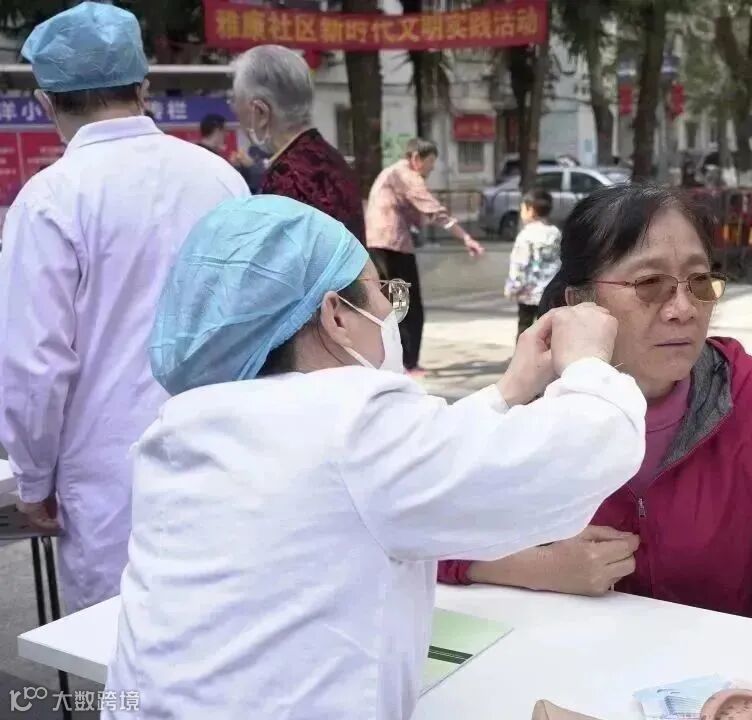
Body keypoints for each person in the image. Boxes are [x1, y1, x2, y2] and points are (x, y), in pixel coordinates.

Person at [103, 195, 646, 720]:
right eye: (381, 291)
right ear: (336, 315)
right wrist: (588, 364)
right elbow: (579, 452)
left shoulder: (185, 426)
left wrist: (507, 392)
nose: (390, 310)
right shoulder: (351, 419)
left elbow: (403, 467)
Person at [438, 184, 752, 632]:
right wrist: (536, 566)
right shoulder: (533, 404)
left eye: (699, 281)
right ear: (581, 302)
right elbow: (410, 533)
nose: (683, 309)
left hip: (723, 671)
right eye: (649, 284)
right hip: (563, 662)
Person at [0, 2, 249, 613]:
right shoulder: (221, 180)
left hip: (109, 483)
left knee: (114, 647)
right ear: (143, 87)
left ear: (47, 102)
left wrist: (33, 480)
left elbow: (34, 365)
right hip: (226, 459)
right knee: (221, 630)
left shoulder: (50, 200)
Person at [367, 138, 486, 376]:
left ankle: (392, 361)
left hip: (377, 244)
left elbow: (415, 214)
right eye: (430, 162)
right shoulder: (407, 176)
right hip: (394, 246)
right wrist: (465, 238)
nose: (432, 168)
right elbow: (435, 211)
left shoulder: (391, 173)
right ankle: (409, 363)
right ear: (416, 159)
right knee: (408, 306)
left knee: (390, 304)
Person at [231, 44, 366, 245]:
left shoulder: (285, 178)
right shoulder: (333, 160)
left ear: (260, 112)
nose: (234, 110)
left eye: (235, 101)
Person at [505, 188, 561, 337]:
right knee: (547, 331)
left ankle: (525, 352)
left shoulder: (525, 236)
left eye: (523, 208)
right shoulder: (555, 233)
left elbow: (519, 264)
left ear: (531, 210)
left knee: (525, 327)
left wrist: (513, 287)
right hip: (549, 292)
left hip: (528, 294)